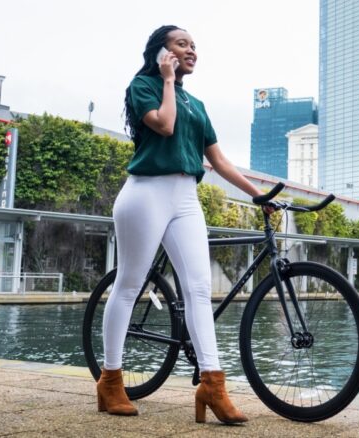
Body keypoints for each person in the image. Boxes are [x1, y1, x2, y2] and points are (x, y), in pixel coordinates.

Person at [97, 25, 265, 424]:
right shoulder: (143, 86)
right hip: (146, 193)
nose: (191, 50)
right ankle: (110, 380)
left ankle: (212, 385)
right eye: (181, 44)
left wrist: (258, 195)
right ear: (162, 52)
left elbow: (219, 161)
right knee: (129, 285)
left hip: (186, 197)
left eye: (194, 46)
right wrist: (168, 79)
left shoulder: (198, 105)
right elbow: (164, 125)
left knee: (199, 288)